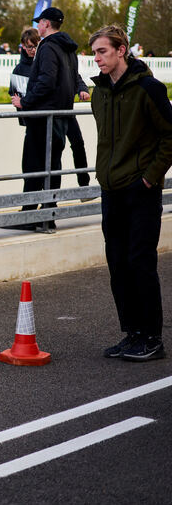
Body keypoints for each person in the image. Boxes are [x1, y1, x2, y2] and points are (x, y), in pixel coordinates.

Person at [89, 25, 172, 361]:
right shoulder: (100, 93)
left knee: (141, 262)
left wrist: (150, 178)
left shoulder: (149, 89)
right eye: (94, 53)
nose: (97, 59)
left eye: (103, 51)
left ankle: (153, 338)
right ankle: (133, 333)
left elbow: (170, 137)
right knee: (118, 263)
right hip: (111, 190)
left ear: (121, 50)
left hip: (141, 190)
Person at [10, 7, 90, 232]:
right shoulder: (69, 49)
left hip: (44, 117)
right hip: (60, 116)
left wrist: (25, 102)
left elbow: (46, 81)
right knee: (52, 166)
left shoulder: (47, 47)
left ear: (46, 23)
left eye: (40, 22)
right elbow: (72, 80)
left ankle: (32, 215)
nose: (37, 26)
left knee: (35, 166)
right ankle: (48, 213)